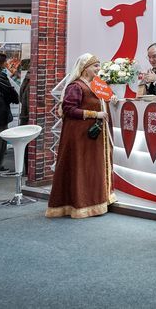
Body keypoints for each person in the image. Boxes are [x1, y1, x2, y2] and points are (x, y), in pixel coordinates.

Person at [46, 53, 115, 219]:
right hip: (79, 136)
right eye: (95, 66)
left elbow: (102, 99)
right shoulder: (76, 86)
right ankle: (80, 204)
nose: (98, 69)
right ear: (85, 68)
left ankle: (95, 201)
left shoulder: (96, 84)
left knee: (90, 169)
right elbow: (69, 109)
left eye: (98, 65)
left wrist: (111, 98)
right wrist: (94, 114)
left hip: (92, 137)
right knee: (80, 168)